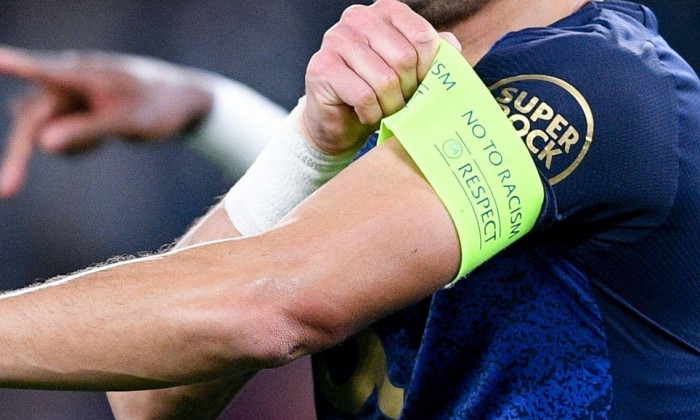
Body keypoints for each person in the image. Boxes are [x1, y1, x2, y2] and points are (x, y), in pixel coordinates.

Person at [0, 0, 698, 419]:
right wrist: (292, 139)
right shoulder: (418, 105)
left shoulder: (602, 83)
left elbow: (267, 301)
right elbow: (155, 398)